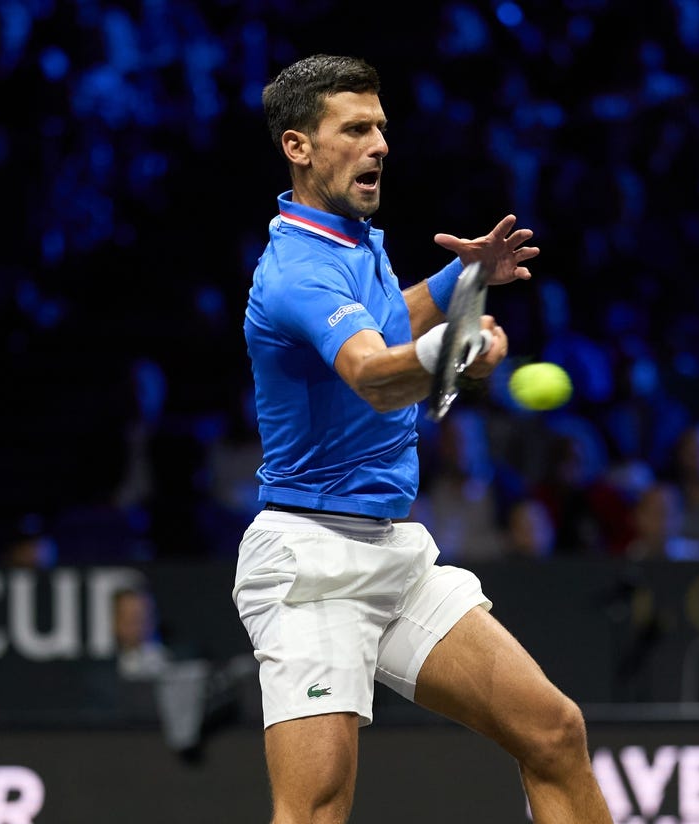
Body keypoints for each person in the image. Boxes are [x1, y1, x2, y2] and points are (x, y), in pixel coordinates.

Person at [232, 54, 611, 824]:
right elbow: (371, 371)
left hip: (393, 554)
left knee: (553, 732)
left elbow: (381, 323)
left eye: (381, 128)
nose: (380, 145)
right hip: (309, 564)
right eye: (356, 129)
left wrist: (456, 288)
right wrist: (454, 350)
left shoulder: (351, 237)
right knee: (316, 807)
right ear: (298, 147)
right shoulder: (295, 271)